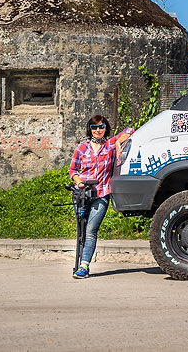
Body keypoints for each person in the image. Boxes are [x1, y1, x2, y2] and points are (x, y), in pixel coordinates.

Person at [68, 114, 133, 278]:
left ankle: (84, 266)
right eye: (94, 127)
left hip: (102, 194)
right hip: (82, 194)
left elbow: (129, 131)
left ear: (106, 129)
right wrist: (79, 181)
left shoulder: (109, 145)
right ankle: (78, 261)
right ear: (90, 129)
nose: (98, 130)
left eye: (101, 127)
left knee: (91, 230)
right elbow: (73, 170)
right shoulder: (82, 148)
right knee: (81, 231)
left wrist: (118, 142)